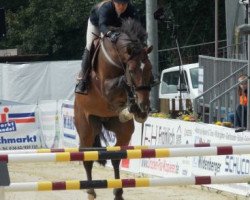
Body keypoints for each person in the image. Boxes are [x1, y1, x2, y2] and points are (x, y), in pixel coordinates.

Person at [75, 0, 138, 94]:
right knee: (89, 45)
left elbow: (136, 26)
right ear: (113, 2)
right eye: (119, 4)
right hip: (97, 25)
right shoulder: (106, 8)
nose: (122, 7)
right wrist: (109, 34)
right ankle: (82, 80)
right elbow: (102, 25)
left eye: (124, 4)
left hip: (118, 27)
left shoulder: (131, 9)